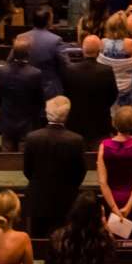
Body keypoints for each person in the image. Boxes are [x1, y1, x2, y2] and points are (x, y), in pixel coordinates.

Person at [22, 95, 89, 238]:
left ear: (47, 113)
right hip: (67, 200)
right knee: (65, 241)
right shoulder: (76, 140)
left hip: (38, 199)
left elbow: (27, 170)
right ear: (67, 116)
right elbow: (81, 172)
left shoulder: (32, 138)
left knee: (38, 242)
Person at [99, 103, 132, 235]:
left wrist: (114, 208)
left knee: (112, 241)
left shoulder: (104, 146)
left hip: (111, 199)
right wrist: (128, 207)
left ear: (114, 122)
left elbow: (103, 182)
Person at [63, 37, 118, 144]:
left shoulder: (70, 70)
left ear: (82, 50)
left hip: (76, 121)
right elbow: (113, 95)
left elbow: (66, 94)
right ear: (99, 51)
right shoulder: (107, 71)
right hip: (100, 121)